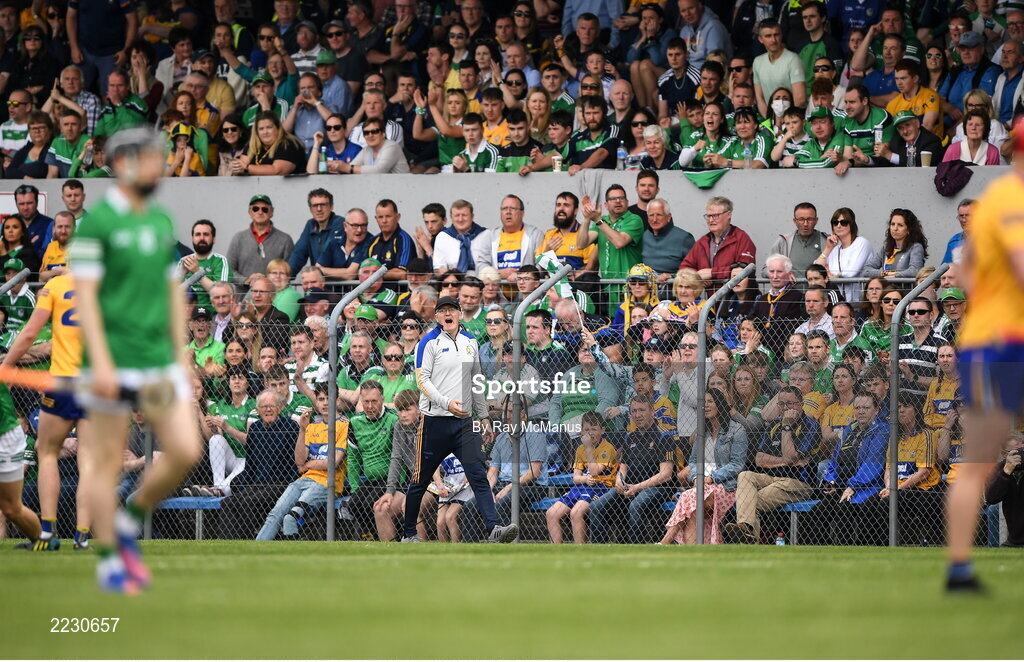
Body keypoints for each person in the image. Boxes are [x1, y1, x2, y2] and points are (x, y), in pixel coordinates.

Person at [65, 128, 201, 593]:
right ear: (123, 164)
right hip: (112, 359)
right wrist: (100, 363)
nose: (160, 166)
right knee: (103, 464)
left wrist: (181, 354)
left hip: (158, 359)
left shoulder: (161, 219)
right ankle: (108, 558)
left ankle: (129, 520)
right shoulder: (96, 224)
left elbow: (170, 292)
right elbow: (84, 298)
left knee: (186, 449)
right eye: (151, 159)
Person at [945, 127, 1024, 588]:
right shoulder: (1012, 201)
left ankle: (959, 568)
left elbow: (965, 273)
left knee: (976, 461)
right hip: (1004, 342)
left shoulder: (994, 200)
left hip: (985, 339)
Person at [401, 295, 518, 543]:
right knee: (420, 480)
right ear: (436, 316)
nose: (447, 314)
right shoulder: (428, 343)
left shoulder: (470, 342)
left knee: (478, 474)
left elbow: (476, 382)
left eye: (451, 309)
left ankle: (494, 529)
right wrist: (447, 403)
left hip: (463, 423)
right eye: (442, 310)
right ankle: (409, 534)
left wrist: (484, 416)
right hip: (434, 421)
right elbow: (423, 381)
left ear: (459, 312)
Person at [5, 272, 91, 551]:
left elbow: (30, 332)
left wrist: (7, 365)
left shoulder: (56, 285)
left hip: (65, 380)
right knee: (90, 461)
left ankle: (47, 533)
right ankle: (82, 537)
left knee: (46, 450)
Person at [722, 386, 821, 543]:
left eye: (790, 403)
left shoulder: (811, 426)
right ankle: (746, 529)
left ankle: (747, 533)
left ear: (800, 404)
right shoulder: (774, 425)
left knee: (750, 501)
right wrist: (785, 461)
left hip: (798, 483)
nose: (785, 408)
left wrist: (786, 427)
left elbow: (790, 457)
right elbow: (759, 459)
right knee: (745, 475)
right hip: (771, 479)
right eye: (781, 404)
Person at [256, 385, 347, 541]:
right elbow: (299, 460)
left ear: (337, 400)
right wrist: (302, 430)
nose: (325, 403)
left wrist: (307, 465)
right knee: (275, 514)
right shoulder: (311, 427)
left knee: (290, 518)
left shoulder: (344, 425)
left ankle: (292, 560)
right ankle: (255, 555)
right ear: (316, 403)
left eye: (329, 398)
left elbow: (333, 463)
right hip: (304, 480)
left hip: (327, 483)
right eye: (321, 399)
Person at [662, 388, 748, 544]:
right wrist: (696, 477)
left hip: (727, 486)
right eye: (703, 403)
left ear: (720, 404)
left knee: (689, 497)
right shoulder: (702, 432)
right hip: (702, 485)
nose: (706, 406)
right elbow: (693, 461)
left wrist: (711, 478)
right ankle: (692, 551)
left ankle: (665, 541)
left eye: (710, 401)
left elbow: (737, 464)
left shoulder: (737, 430)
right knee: (694, 509)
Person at [546, 410, 618, 544]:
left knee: (576, 513)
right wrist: (584, 479)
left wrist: (589, 448)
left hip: (601, 488)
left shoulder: (607, 448)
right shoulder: (580, 449)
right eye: (586, 429)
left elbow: (595, 471)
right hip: (581, 486)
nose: (590, 433)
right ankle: (555, 550)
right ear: (581, 431)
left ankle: (580, 550)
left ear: (602, 430)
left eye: (594, 429)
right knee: (551, 513)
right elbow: (576, 477)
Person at [680, 196, 756, 287]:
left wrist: (712, 273)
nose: (711, 220)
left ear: (728, 215)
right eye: (708, 216)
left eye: (715, 216)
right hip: (711, 300)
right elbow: (684, 268)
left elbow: (745, 269)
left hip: (735, 299)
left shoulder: (741, 238)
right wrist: (697, 277)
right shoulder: (702, 242)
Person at [226, 194, 295, 284]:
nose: (260, 212)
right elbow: (227, 270)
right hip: (243, 296)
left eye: (264, 209)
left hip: (275, 296)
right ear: (250, 212)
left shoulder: (285, 240)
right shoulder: (238, 238)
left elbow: (289, 272)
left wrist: (265, 282)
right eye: (255, 209)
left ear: (272, 212)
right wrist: (246, 281)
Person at [766, 202, 828, 277]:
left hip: (819, 288)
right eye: (801, 219)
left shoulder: (827, 241)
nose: (805, 223)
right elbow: (765, 270)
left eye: (810, 219)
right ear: (795, 221)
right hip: (790, 289)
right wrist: (784, 274)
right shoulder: (783, 242)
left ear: (816, 220)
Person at [863, 208, 928, 278]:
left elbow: (915, 271)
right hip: (886, 288)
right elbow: (866, 269)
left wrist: (895, 275)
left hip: (905, 289)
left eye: (900, 225)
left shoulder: (916, 247)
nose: (895, 228)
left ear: (909, 229)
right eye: (892, 224)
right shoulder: (886, 248)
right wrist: (882, 273)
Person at [985, 433, 1024, 548]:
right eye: (1018, 452)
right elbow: (991, 498)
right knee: (993, 510)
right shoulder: (998, 469)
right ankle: (993, 549)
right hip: (1014, 539)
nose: (1022, 455)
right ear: (1004, 454)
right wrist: (1007, 471)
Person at [942, 199, 973, 264]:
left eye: (968, 215)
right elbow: (945, 269)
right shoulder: (954, 241)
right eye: (961, 216)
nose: (964, 220)